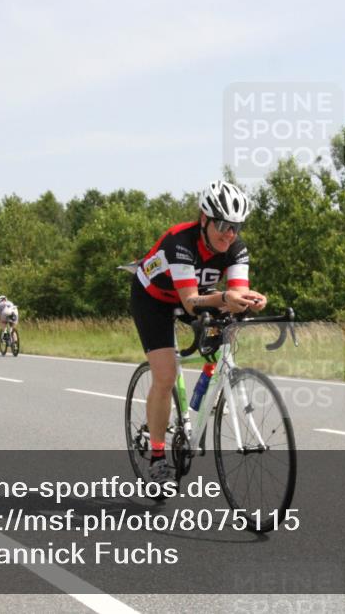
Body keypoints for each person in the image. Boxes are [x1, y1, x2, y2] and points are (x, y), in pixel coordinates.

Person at [131, 180, 267, 484]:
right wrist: (225, 299)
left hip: (199, 294)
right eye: (222, 224)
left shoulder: (235, 248)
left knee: (226, 340)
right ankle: (156, 458)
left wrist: (251, 301)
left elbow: (235, 295)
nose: (229, 233)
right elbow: (191, 304)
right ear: (204, 219)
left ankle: (202, 391)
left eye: (236, 226)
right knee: (165, 375)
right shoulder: (179, 241)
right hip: (153, 299)